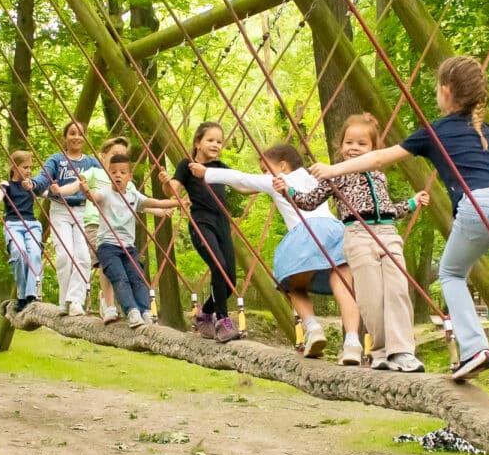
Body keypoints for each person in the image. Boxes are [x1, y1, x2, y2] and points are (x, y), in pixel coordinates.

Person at [310, 55, 489, 409]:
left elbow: (380, 158)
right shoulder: (484, 130)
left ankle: (474, 348)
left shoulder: (435, 131)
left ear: (445, 91)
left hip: (478, 205)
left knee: (452, 272)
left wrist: (333, 169)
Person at [276, 114, 429, 372]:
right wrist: (288, 192)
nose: (354, 148)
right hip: (358, 235)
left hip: (388, 233)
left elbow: (389, 208)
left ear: (373, 149)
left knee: (398, 290)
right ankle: (380, 352)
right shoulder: (335, 175)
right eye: (349, 142)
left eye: (361, 144)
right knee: (371, 296)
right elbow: (309, 201)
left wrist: (412, 203)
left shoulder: (379, 176)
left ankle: (402, 350)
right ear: (341, 145)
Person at [192, 142, 363, 366]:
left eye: (265, 169)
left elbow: (242, 179)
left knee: (292, 285)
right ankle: (352, 343)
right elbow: (247, 187)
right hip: (335, 232)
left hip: (304, 233)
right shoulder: (317, 176)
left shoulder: (278, 180)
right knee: (344, 286)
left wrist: (207, 172)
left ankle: (312, 328)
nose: (264, 175)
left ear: (282, 166)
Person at [78, 153, 179, 328]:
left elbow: (155, 202)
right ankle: (131, 311)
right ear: (109, 175)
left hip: (128, 248)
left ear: (129, 177)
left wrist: (178, 203)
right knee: (120, 278)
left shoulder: (133, 195)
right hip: (108, 247)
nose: (118, 175)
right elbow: (94, 197)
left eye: (122, 172)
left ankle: (145, 311)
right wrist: (86, 190)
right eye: (114, 172)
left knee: (137, 278)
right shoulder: (105, 193)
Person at [161, 122, 240, 343]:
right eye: (210, 140)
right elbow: (172, 191)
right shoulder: (186, 165)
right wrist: (167, 183)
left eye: (219, 141)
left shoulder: (220, 169)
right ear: (198, 142)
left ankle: (204, 314)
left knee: (230, 281)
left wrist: (268, 184)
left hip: (222, 224)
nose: (216, 145)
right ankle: (222, 320)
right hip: (201, 223)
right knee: (219, 266)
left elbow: (243, 185)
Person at [38, 121, 101, 317]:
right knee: (65, 255)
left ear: (85, 137)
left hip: (83, 210)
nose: (76, 137)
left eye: (80, 134)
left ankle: (75, 301)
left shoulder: (91, 162)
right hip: (60, 210)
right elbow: (42, 178)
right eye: (72, 133)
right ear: (65, 137)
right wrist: (36, 186)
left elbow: (105, 179)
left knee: (82, 257)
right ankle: (65, 299)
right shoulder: (57, 160)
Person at [0, 150, 45, 312]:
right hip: (13, 225)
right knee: (19, 253)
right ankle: (22, 295)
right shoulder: (7, 185)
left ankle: (31, 295)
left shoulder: (31, 184)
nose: (29, 171)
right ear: (14, 167)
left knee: (34, 253)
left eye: (30, 167)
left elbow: (48, 193)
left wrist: (58, 190)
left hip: (32, 225)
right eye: (25, 167)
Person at [83, 136, 130, 324]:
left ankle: (108, 300)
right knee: (105, 262)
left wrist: (161, 210)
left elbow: (137, 201)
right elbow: (77, 183)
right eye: (115, 155)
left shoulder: (124, 180)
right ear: (103, 157)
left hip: (117, 227)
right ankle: (107, 304)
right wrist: (59, 191)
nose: (119, 159)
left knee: (118, 266)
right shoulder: (94, 172)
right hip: (95, 223)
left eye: (123, 156)